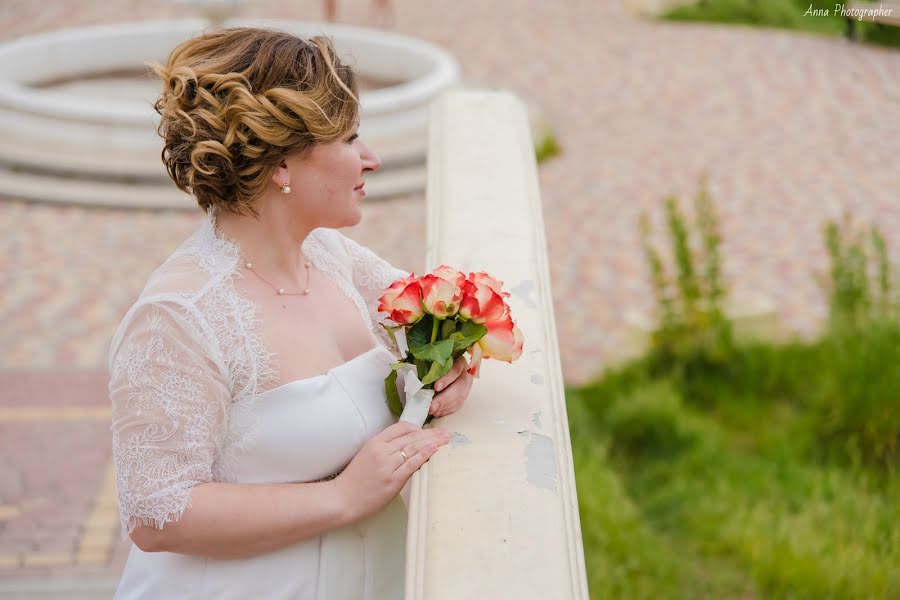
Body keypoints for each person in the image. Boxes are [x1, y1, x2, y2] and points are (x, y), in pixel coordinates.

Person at [107, 27, 472, 599]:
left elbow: (434, 320)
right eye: (351, 139)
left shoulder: (330, 254)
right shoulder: (180, 316)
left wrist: (455, 367)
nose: (372, 160)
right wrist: (341, 496)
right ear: (281, 165)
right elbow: (156, 513)